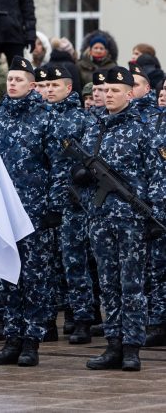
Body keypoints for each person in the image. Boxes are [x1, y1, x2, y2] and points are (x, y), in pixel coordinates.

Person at [79, 67, 166, 371]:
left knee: (132, 285)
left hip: (131, 218)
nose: (109, 95)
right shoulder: (93, 128)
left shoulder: (144, 129)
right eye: (106, 90)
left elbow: (157, 176)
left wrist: (155, 215)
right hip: (100, 218)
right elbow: (76, 177)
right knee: (107, 283)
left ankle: (132, 347)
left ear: (130, 94)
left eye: (116, 90)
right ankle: (113, 344)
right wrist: (83, 192)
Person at [0, 57, 66, 367]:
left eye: (19, 79)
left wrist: (54, 205)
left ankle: (32, 341)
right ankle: (12, 339)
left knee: (35, 278)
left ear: (32, 85)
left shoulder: (46, 117)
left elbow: (59, 165)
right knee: (8, 276)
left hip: (35, 212)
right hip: (3, 211)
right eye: (10, 79)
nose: (12, 83)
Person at [42, 66, 95, 344]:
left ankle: (82, 317)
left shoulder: (80, 119)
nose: (49, 90)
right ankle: (47, 319)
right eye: (45, 85)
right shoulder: (38, 118)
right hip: (41, 203)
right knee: (46, 264)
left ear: (68, 89)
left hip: (72, 202)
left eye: (54, 85)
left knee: (74, 262)